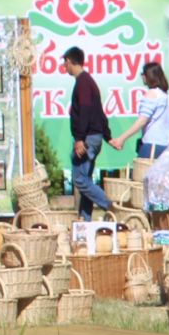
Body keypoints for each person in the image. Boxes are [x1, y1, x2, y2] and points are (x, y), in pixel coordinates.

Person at [63, 47, 111, 219]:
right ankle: (85, 223)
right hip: (93, 136)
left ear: (69, 61)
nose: (64, 66)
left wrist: (79, 138)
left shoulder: (83, 82)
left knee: (80, 180)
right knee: (86, 180)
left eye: (64, 63)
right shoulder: (88, 81)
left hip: (88, 138)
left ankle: (110, 206)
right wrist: (108, 136)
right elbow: (99, 111)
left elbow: (85, 110)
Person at [110, 62, 169, 159]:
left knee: (143, 174)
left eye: (143, 74)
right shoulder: (167, 96)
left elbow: (142, 121)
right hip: (167, 146)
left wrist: (121, 139)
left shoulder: (152, 93)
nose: (142, 77)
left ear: (148, 76)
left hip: (152, 145)